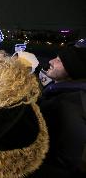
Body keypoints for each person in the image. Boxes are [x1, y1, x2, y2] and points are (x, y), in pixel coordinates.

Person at [33, 46, 86, 178]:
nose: (51, 61)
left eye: (60, 60)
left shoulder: (69, 105)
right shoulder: (59, 93)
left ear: (73, 68)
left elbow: (65, 162)